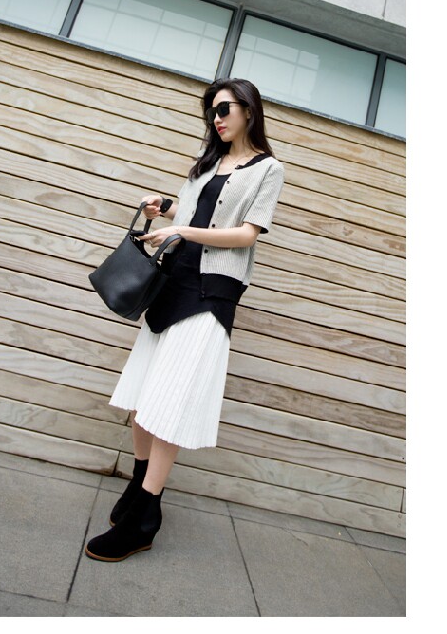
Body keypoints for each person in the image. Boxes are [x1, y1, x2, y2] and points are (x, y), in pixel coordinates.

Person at [84, 78, 285, 562]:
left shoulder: (268, 168)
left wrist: (182, 230)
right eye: (211, 111)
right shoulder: (208, 161)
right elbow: (195, 211)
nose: (217, 118)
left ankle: (145, 513)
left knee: (168, 403)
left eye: (224, 109)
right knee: (142, 397)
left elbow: (246, 234)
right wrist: (166, 207)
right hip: (172, 283)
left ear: (249, 110)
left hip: (210, 293)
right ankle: (138, 486)